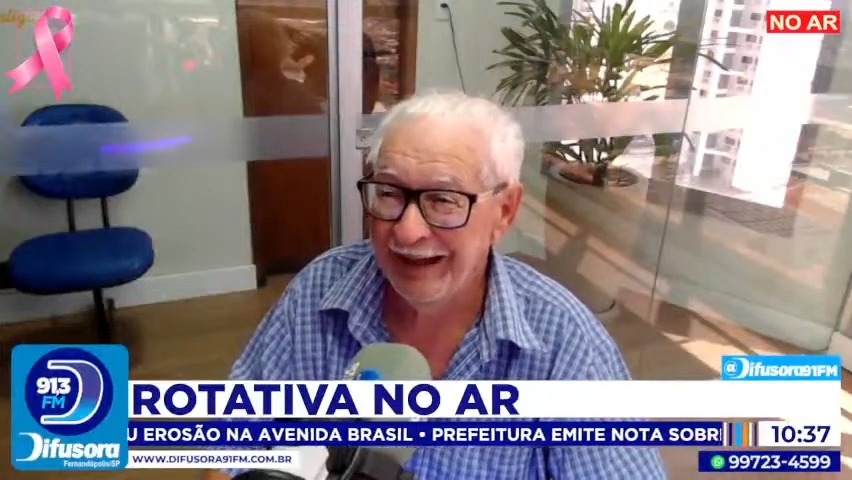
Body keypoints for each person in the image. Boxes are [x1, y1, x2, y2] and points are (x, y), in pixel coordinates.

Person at [202, 92, 667, 479]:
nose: (406, 231)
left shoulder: (564, 341)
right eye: (389, 193)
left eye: (443, 200)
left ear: (504, 211)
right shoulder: (319, 289)